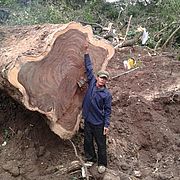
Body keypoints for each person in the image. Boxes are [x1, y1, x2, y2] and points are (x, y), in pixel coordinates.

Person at [82, 43, 112, 174]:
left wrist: (106, 125)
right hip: (88, 120)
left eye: (105, 79)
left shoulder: (106, 94)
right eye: (101, 77)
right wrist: (86, 53)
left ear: (106, 81)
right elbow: (89, 68)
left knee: (101, 144)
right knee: (88, 141)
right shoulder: (92, 83)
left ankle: (102, 164)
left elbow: (108, 111)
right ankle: (90, 158)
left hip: (99, 123)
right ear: (98, 77)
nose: (102, 80)